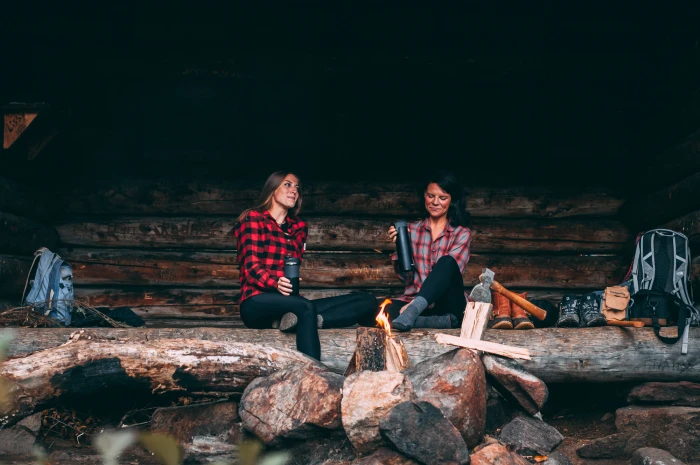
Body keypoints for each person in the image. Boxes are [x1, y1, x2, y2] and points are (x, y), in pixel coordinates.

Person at [234, 171, 378, 360]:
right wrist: (276, 283)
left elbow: (293, 265)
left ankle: (303, 320)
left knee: (367, 301)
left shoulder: (298, 227)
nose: (294, 190)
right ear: (272, 189)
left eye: (297, 188)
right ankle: (312, 372)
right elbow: (250, 268)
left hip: (290, 303)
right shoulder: (253, 218)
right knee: (305, 307)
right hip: (256, 301)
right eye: (287, 185)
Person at [384, 170, 472, 332]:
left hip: (445, 302)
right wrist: (401, 247)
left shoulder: (461, 233)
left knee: (447, 262)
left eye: (443, 198)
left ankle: (414, 313)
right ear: (424, 196)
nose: (435, 202)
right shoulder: (411, 230)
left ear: (452, 201)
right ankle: (437, 321)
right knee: (385, 310)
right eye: (431, 196)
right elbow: (407, 278)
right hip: (412, 302)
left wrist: (414, 306)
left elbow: (451, 274)